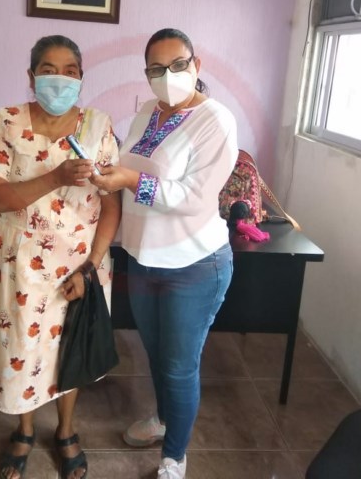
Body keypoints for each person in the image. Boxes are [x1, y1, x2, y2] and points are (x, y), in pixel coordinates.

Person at [90, 28, 238, 479]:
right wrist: (107, 171)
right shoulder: (148, 112)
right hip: (143, 258)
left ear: (196, 65)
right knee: (155, 353)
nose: (167, 75)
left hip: (194, 265)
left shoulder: (216, 121)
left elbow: (193, 197)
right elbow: (128, 165)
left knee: (179, 366)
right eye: (156, 68)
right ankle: (163, 418)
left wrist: (128, 181)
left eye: (177, 65)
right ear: (147, 74)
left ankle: (174, 457)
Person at [0, 35, 121, 479]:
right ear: (31, 75)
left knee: (67, 347)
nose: (60, 79)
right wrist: (56, 177)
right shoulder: (6, 122)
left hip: (78, 263)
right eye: (49, 70)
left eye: (70, 71)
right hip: (16, 263)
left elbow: (111, 205)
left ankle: (66, 429)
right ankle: (24, 429)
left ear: (81, 78)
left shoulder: (97, 127)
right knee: (21, 345)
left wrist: (91, 267)